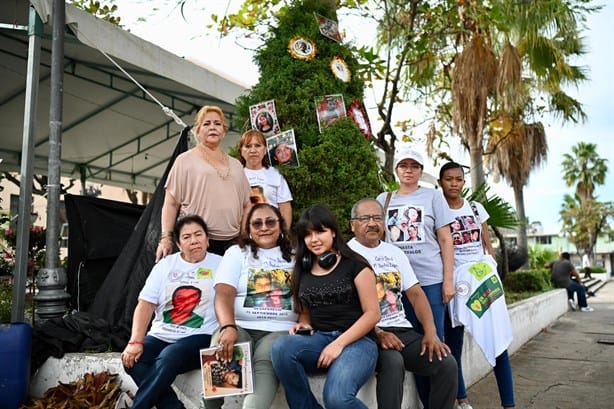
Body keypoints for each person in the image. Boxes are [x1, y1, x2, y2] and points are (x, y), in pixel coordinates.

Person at [348, 198, 458, 409]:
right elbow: (346, 308)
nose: (372, 223)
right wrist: (378, 332)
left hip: (402, 330)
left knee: (447, 363)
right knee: (392, 362)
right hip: (367, 332)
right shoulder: (344, 255)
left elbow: (416, 295)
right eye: (365, 218)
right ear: (352, 224)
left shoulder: (394, 253)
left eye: (377, 218)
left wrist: (431, 332)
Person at [270, 204, 381, 409]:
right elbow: (304, 313)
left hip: (358, 342)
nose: (314, 239)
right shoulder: (302, 269)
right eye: (308, 234)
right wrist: (304, 325)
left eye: (320, 231)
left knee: (337, 399)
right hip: (320, 339)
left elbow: (373, 314)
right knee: (281, 349)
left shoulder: (356, 265)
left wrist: (338, 344)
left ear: (333, 232)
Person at [376, 147, 454, 408]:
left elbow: (445, 238)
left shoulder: (433, 197)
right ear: (396, 169)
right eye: (403, 165)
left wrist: (448, 280)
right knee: (413, 347)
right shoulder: (384, 198)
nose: (408, 170)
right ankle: (423, 402)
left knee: (434, 344)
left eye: (414, 166)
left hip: (430, 282)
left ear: (421, 171)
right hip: (396, 288)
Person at [439, 161, 516, 409]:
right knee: (453, 344)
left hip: (482, 278)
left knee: (497, 339)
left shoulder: (475, 207)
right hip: (454, 281)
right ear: (440, 182)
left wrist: (491, 263)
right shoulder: (436, 208)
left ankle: (509, 404)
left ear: (463, 182)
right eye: (448, 179)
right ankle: (462, 400)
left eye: (458, 179)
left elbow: (486, 242)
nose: (454, 183)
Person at [122, 215, 220, 409]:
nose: (194, 240)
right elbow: (145, 304)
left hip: (200, 337)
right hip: (162, 335)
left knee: (170, 355)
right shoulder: (165, 265)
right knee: (131, 361)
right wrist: (135, 341)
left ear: (208, 239)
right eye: (186, 237)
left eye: (198, 234)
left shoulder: (222, 264)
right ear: (178, 243)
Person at [205, 203, 297, 409]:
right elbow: (223, 293)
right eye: (257, 223)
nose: (264, 227)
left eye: (270, 221)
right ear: (248, 228)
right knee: (220, 364)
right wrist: (228, 327)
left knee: (263, 371)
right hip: (240, 327)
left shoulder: (295, 255)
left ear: (281, 226)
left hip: (278, 331)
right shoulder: (237, 253)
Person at [156, 105, 251, 260]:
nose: (212, 127)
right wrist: (166, 238)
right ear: (197, 131)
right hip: (197, 242)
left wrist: (244, 236)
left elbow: (248, 204)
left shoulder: (236, 165)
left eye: (217, 123)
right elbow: (171, 203)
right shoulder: (184, 160)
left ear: (224, 131)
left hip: (233, 243)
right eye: (206, 124)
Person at [239, 129, 293, 228]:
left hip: (272, 230)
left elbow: (285, 207)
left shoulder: (275, 174)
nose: (253, 150)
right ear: (241, 151)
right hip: (244, 234)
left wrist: (285, 234)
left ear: (265, 150)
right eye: (248, 146)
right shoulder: (235, 174)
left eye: (258, 146)